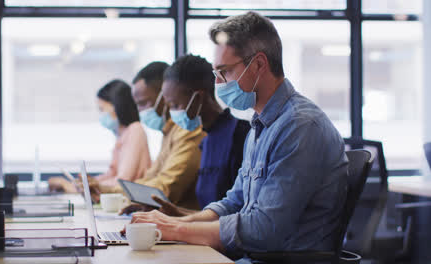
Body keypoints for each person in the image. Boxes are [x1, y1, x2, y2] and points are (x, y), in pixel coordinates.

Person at [127, 11, 349, 263]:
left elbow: (265, 229)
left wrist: (176, 229)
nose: (219, 83)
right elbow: (234, 201)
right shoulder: (259, 125)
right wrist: (175, 221)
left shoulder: (300, 127)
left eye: (225, 72)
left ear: (258, 64)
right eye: (216, 74)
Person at [148, 54, 250, 216]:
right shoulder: (206, 140)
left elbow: (238, 214)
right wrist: (171, 214)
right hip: (207, 236)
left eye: (175, 105)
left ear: (199, 97)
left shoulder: (240, 135)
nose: (172, 112)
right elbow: (209, 213)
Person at [102, 62, 206, 211]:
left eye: (143, 103)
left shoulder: (188, 130)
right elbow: (151, 178)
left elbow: (164, 188)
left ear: (164, 97)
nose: (140, 111)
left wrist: (108, 191)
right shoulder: (169, 131)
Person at [48, 79, 151, 193]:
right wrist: (88, 183)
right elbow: (112, 174)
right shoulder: (121, 134)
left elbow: (123, 181)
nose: (101, 115)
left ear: (117, 106)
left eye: (102, 109)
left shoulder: (135, 130)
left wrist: (77, 187)